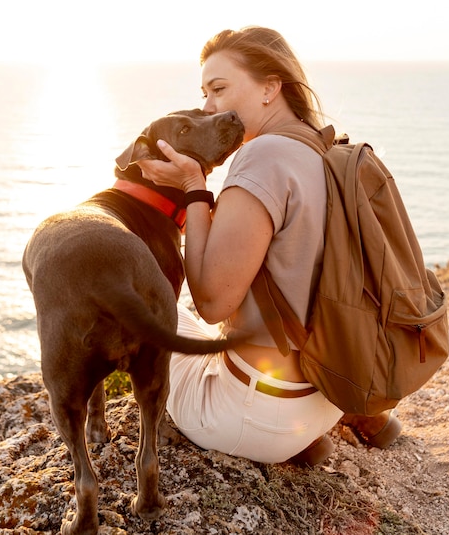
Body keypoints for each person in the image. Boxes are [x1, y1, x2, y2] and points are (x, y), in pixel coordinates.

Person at [138, 26, 401, 465]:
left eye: (219, 89)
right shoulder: (327, 148)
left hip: (252, 416)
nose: (208, 107)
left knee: (153, 312)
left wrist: (193, 186)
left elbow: (212, 302)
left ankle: (285, 442)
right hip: (328, 390)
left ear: (270, 87)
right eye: (205, 93)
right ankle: (339, 423)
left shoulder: (263, 157)